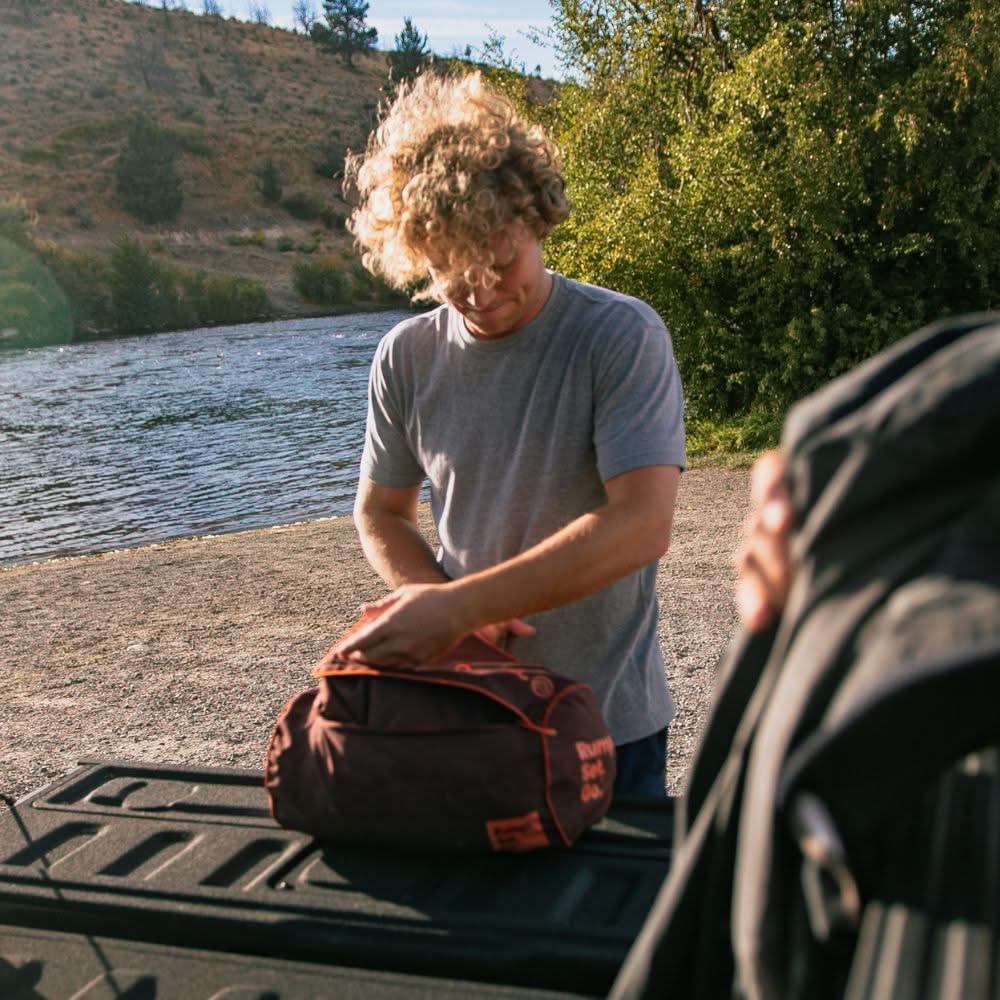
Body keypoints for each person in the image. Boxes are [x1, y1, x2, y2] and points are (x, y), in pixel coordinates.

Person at [318, 71, 686, 797]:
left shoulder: (619, 335)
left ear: (536, 221)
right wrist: (448, 616)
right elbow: (381, 511)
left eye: (499, 260)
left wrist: (463, 607)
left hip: (609, 726)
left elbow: (643, 524)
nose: (481, 292)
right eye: (450, 272)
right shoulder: (405, 356)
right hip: (472, 712)